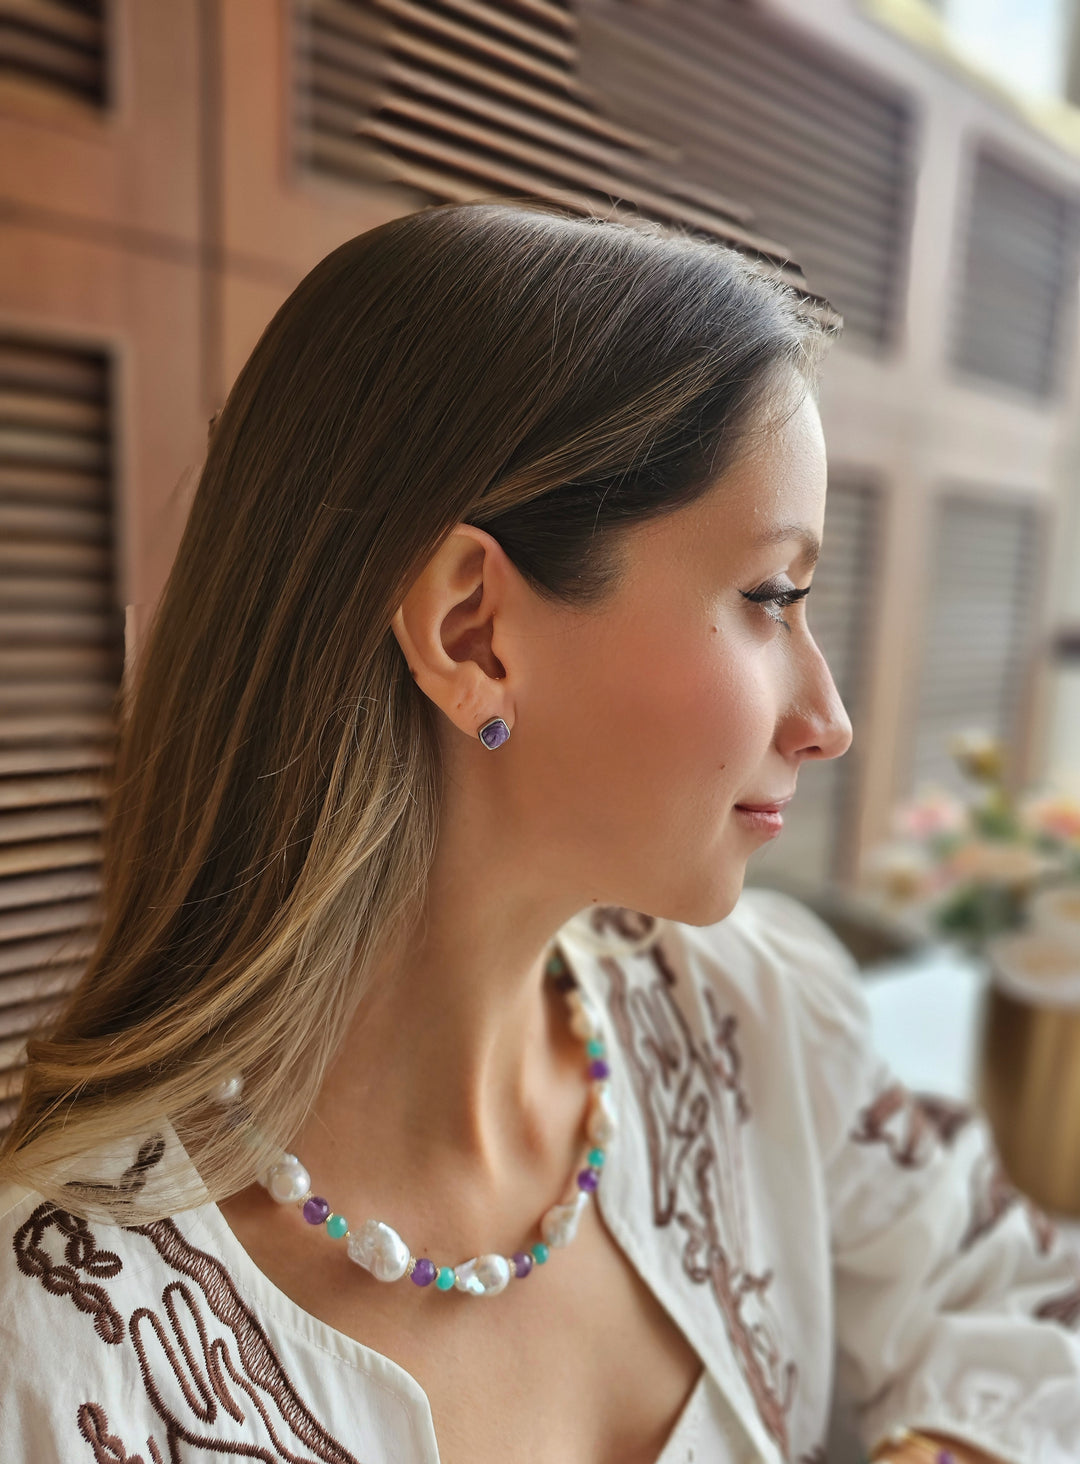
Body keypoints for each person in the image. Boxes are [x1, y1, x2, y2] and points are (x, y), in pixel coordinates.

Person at [1, 196, 1077, 1464]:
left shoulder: (749, 1019)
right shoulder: (62, 1350)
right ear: (475, 633)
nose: (827, 716)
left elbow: (1019, 1293)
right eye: (771, 594)